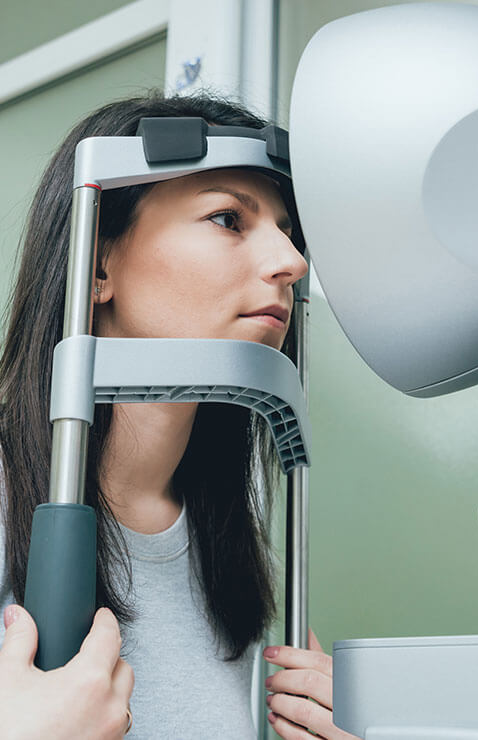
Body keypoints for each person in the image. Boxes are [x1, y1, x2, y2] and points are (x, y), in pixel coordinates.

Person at [0, 91, 360, 739]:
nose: (292, 263)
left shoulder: (224, 540)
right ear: (100, 260)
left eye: (288, 231)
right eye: (228, 218)